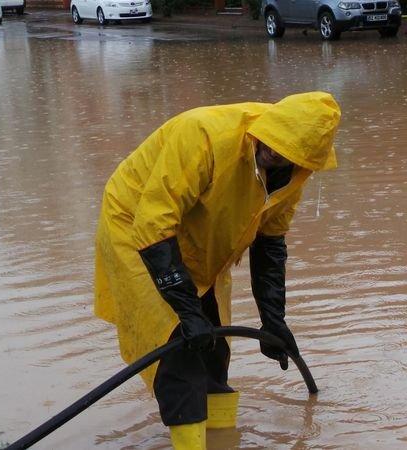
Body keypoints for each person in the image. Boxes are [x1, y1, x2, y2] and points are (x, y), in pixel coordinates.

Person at [93, 92, 341, 450]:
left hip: (199, 235)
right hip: (137, 228)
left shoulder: (294, 174)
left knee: (213, 346)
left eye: (289, 155)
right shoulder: (203, 135)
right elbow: (152, 226)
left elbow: (270, 244)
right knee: (179, 346)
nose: (276, 154)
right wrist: (186, 310)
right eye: (273, 145)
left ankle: (222, 440)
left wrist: (274, 320)